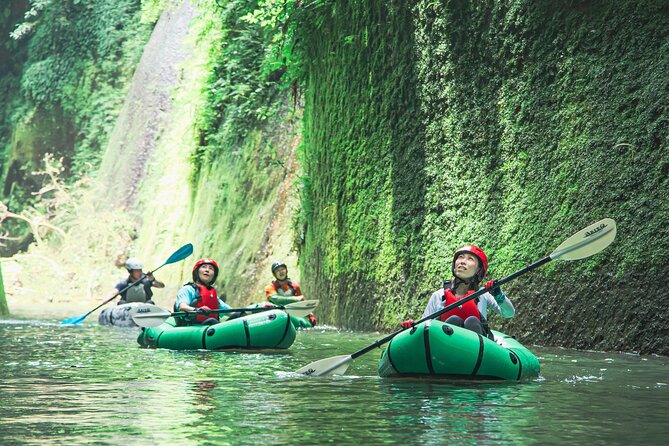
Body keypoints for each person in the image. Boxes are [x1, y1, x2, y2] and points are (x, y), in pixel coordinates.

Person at [401, 245, 514, 339]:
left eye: (470, 259)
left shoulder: (483, 295)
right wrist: (412, 326)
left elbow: (509, 313)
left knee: (472, 321)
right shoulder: (439, 296)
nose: (463, 262)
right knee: (453, 320)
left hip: (476, 346)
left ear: (479, 270)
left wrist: (498, 295)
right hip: (445, 345)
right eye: (460, 257)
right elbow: (424, 325)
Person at [175, 258, 231, 326]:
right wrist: (197, 310)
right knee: (212, 321)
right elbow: (182, 306)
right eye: (204, 267)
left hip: (213, 327)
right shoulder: (187, 289)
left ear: (214, 275)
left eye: (211, 268)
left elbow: (230, 312)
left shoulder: (213, 296)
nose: (207, 270)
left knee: (239, 314)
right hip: (192, 328)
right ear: (197, 272)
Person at [265, 261, 316, 327]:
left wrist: (310, 315)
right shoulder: (270, 288)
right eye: (277, 270)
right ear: (274, 274)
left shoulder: (295, 286)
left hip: (292, 314)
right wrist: (295, 299)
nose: (281, 272)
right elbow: (276, 299)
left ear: (286, 270)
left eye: (282, 269)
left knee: (306, 324)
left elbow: (302, 303)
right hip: (276, 315)